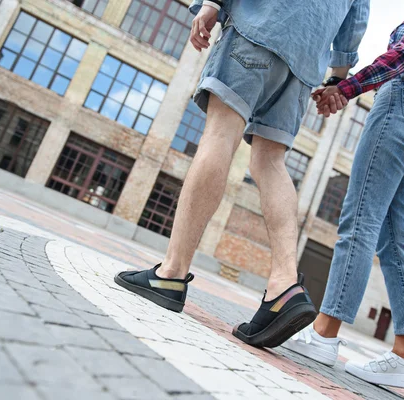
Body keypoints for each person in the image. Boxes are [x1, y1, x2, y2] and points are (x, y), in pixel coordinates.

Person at [114, 0, 370, 348]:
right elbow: (356, 18)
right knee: (270, 161)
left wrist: (212, 3)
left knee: (221, 134)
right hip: (305, 61)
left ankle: (171, 274)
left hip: (260, 26)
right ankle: (284, 284)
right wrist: (337, 79)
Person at [287, 0, 404, 391]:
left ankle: (323, 335)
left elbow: (403, 55)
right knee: (396, 239)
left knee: (360, 220)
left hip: (399, 103)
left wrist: (345, 87)